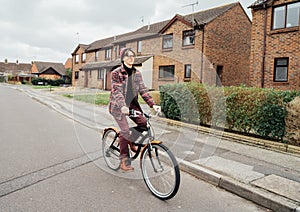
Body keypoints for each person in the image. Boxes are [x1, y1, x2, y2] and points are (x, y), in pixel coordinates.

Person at [109, 48, 158, 172]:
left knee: (143, 124)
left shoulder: (137, 73)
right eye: (128, 56)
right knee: (125, 130)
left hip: (132, 105)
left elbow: (143, 90)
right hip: (118, 107)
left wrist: (152, 104)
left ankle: (129, 140)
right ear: (123, 58)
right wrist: (122, 106)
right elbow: (117, 91)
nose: (131, 58)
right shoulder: (116, 73)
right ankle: (124, 160)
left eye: (133, 55)